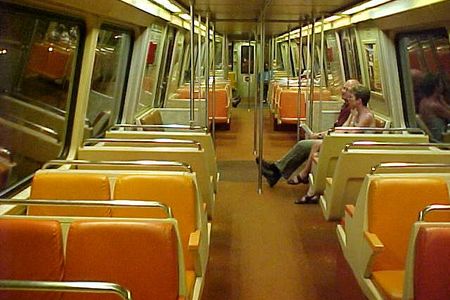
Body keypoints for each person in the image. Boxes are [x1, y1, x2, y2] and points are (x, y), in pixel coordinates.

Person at [256, 79, 360, 187]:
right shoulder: (346, 106)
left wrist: (320, 135)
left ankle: (277, 171)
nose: (343, 91)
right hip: (334, 137)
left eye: (347, 90)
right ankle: (276, 171)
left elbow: (344, 130)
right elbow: (338, 128)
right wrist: (321, 134)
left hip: (339, 141)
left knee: (303, 145)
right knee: (305, 145)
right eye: (343, 88)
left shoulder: (352, 110)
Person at [294, 84, 376, 204]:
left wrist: (331, 137)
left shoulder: (367, 116)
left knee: (320, 147)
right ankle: (312, 186)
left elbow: (354, 133)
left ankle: (311, 186)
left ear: (359, 101)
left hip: (359, 148)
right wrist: (328, 134)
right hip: (350, 144)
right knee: (318, 145)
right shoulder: (355, 112)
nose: (348, 99)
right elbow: (344, 128)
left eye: (351, 97)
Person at [417, 73, 450, 142]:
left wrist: (441, 100)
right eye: (441, 83)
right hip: (440, 139)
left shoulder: (423, 101)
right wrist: (443, 102)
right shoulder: (434, 105)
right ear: (436, 86)